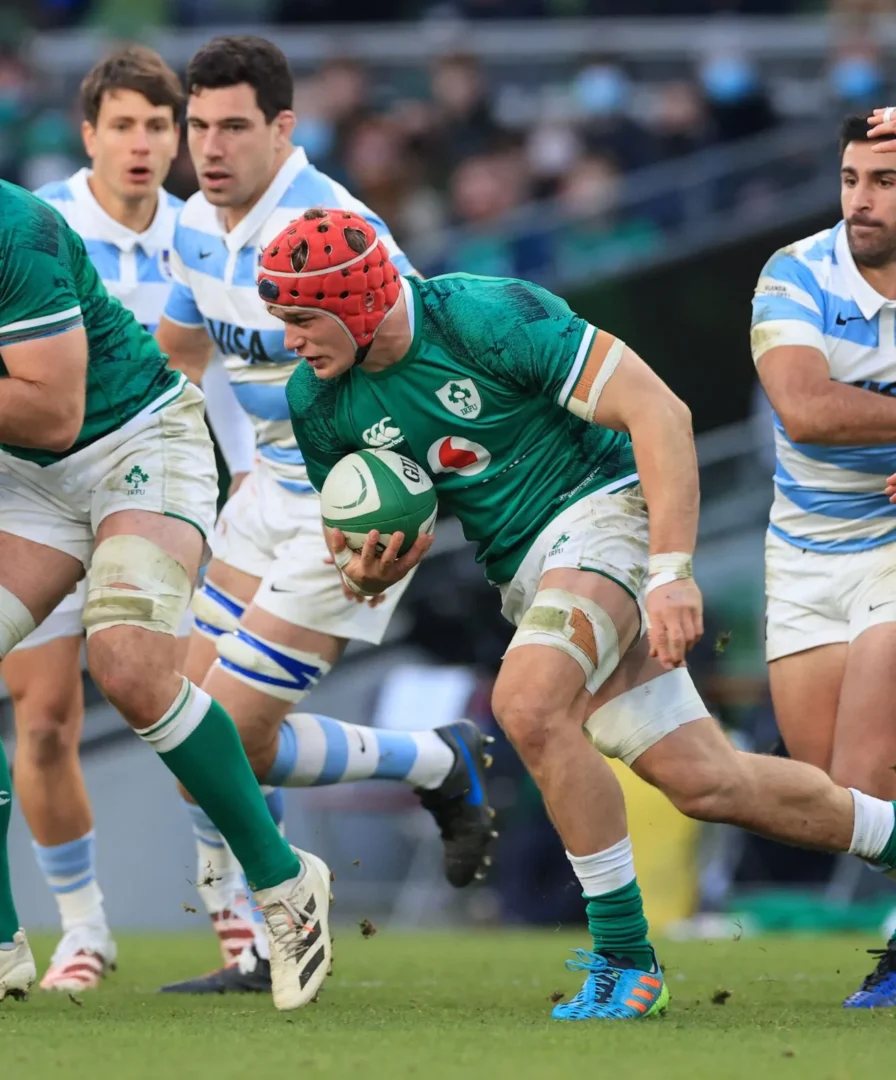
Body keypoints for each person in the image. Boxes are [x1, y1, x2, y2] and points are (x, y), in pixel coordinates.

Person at [261, 206, 896, 1021]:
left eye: (303, 319)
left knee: (526, 703)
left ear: (356, 300)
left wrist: (671, 573)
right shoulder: (318, 402)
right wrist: (365, 568)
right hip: (528, 571)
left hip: (609, 513)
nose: (292, 340)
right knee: (709, 783)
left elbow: (659, 413)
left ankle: (627, 961)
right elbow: (351, 540)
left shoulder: (486, 315)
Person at [155, 36, 494, 995]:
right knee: (185, 738)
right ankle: (434, 763)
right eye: (199, 126)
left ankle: (276, 931)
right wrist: (185, 484)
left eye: (232, 127)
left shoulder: (340, 228)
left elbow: (424, 363)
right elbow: (178, 356)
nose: (209, 148)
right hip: (257, 497)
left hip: (346, 510)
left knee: (220, 730)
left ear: (283, 129)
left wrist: (409, 509)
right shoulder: (192, 225)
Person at [0, 177, 335, 1014]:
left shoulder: (17, 227)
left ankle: (285, 885)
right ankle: (3, 944)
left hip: (133, 442)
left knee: (130, 664)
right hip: (23, 484)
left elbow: (51, 411)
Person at [0, 44, 253, 996]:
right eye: (126, 125)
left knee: (168, 694)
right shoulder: (44, 220)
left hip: (165, 482)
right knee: (48, 720)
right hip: (36, 489)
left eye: (161, 126)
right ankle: (82, 929)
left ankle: (234, 906)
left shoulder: (206, 232)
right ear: (89, 133)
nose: (144, 144)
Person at [750, 112, 896, 1008]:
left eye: (883, 182)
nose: (860, 202)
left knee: (869, 767)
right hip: (804, 551)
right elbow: (804, 408)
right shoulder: (796, 272)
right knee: (837, 796)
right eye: (850, 179)